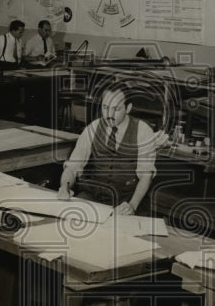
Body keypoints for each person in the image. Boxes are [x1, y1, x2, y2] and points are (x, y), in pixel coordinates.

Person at [57, 83, 157, 215]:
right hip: (93, 198)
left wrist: (132, 205)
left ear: (128, 108)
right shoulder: (93, 128)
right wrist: (65, 186)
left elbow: (146, 176)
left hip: (126, 201)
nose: (109, 114)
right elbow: (72, 166)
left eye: (116, 109)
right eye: (105, 107)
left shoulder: (143, 131)